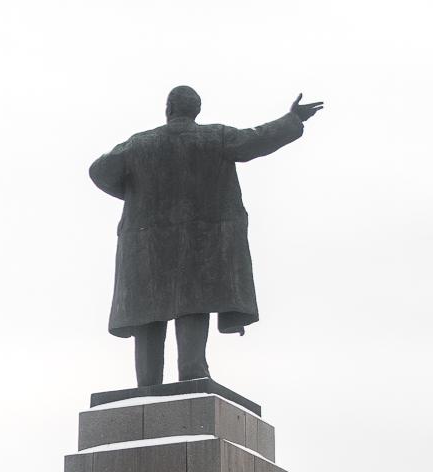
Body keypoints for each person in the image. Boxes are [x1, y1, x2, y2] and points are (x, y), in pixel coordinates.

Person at [90, 86, 322, 385]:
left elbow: (100, 171)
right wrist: (292, 119)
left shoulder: (138, 144)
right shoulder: (217, 137)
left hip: (147, 241)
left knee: (147, 311)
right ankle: (192, 372)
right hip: (199, 242)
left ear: (168, 109)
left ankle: (147, 383)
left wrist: (132, 195)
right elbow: (257, 140)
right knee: (193, 303)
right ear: (196, 111)